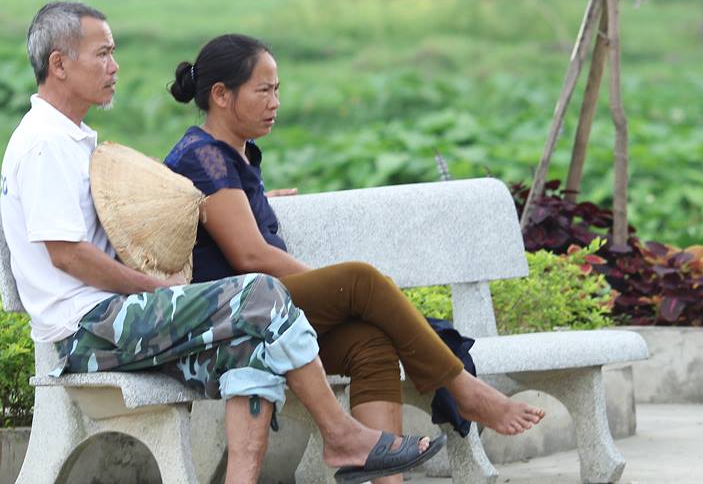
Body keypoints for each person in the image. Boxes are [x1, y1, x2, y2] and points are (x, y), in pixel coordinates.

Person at [0, 2, 445, 484]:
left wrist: (234, 200)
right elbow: (66, 255)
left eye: (114, 53)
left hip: (114, 321)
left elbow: (130, 212)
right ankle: (343, 437)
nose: (115, 66)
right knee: (262, 294)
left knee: (252, 346)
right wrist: (150, 288)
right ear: (59, 64)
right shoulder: (44, 143)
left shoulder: (70, 137)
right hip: (88, 328)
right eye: (102, 53)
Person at [165, 33, 546, 483]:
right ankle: (463, 387)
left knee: (371, 344)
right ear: (221, 95)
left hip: (266, 318)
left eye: (278, 89)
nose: (275, 102)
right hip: (230, 318)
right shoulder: (202, 156)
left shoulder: (235, 154)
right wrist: (336, 288)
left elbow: (240, 223)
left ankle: (385, 476)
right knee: (360, 282)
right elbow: (250, 254)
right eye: (263, 90)